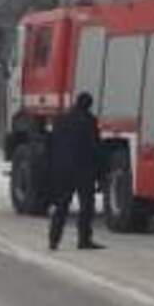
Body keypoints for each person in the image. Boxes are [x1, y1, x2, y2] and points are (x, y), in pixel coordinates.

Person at [46, 92, 104, 251]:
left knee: (62, 206)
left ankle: (54, 240)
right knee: (86, 206)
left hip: (63, 169)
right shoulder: (89, 121)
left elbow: (51, 145)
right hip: (83, 170)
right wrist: (99, 168)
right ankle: (84, 240)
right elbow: (95, 146)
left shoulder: (61, 120)